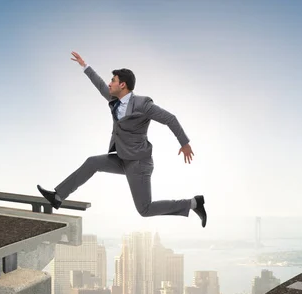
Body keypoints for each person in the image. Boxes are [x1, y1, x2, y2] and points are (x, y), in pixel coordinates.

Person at [37, 51, 207, 227]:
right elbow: (100, 84)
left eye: (113, 81)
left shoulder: (142, 104)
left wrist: (184, 143)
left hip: (139, 163)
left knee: (144, 209)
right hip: (122, 157)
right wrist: (84, 66)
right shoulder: (114, 99)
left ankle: (194, 203)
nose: (109, 84)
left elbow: (169, 119)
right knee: (92, 163)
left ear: (123, 85)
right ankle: (57, 197)